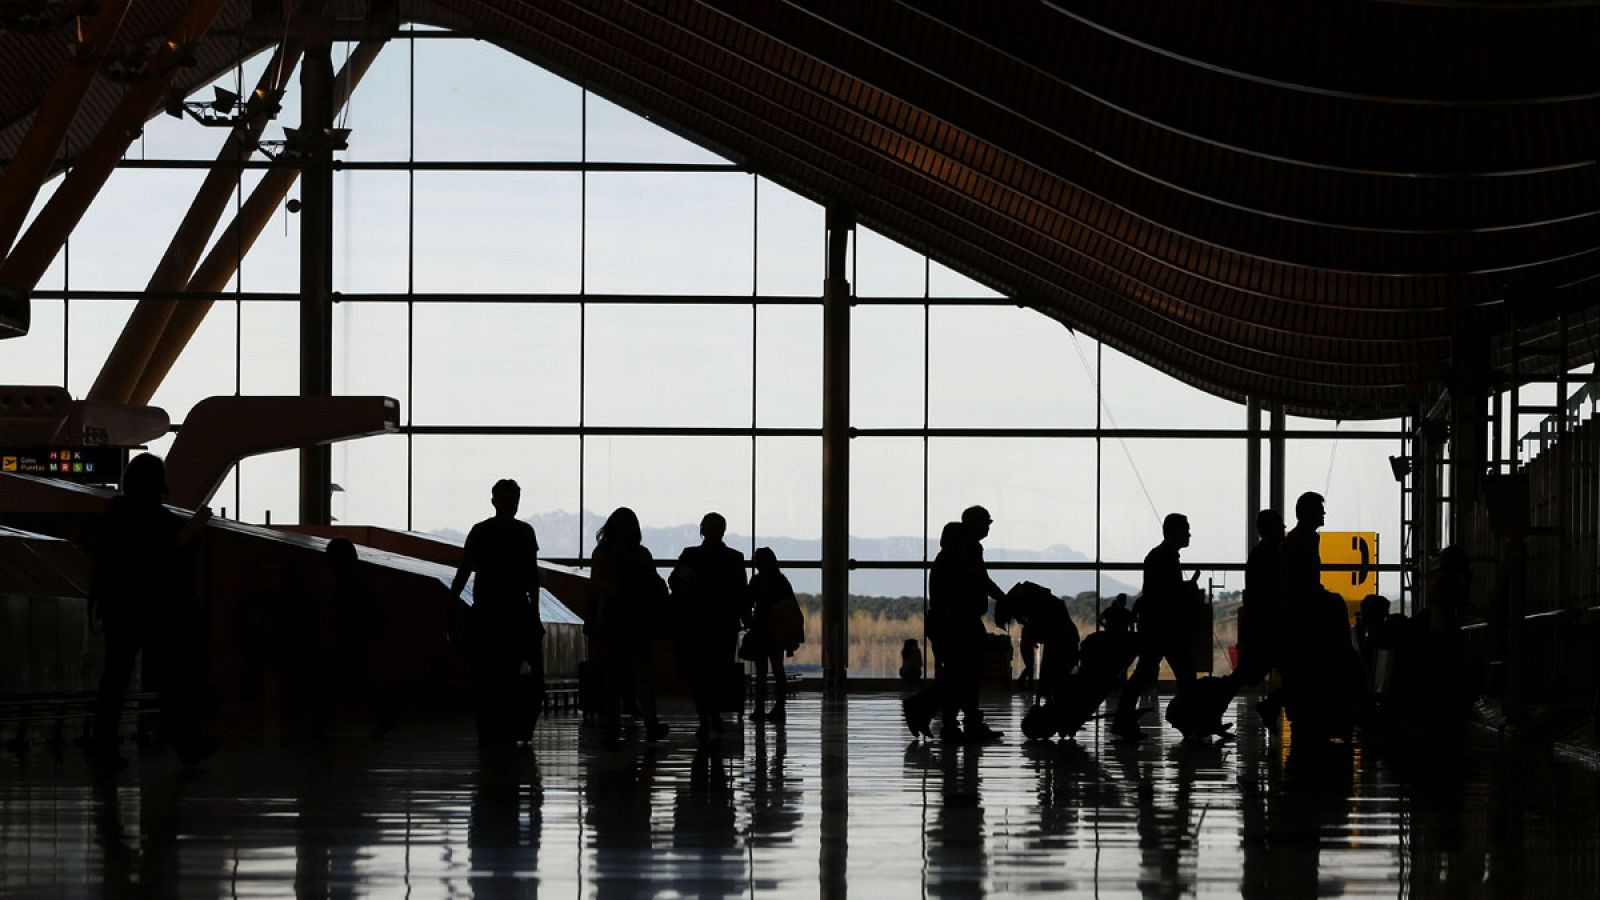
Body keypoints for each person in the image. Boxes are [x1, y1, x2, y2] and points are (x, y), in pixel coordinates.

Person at [88, 453, 215, 769]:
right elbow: (167, 557)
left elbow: (105, 563)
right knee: (168, 679)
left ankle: (103, 747)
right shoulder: (159, 519)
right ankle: (188, 745)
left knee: (115, 679)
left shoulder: (115, 512)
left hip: (120, 608)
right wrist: (194, 530)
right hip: (154, 610)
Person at [450, 479, 543, 750]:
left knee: (486, 673)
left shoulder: (480, 532)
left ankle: (490, 728)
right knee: (514, 673)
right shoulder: (524, 533)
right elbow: (531, 576)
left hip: (487, 612)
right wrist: (534, 613)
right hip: (514, 612)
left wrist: (451, 602)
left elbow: (465, 569)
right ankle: (513, 726)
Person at [1276, 491, 1361, 741]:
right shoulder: (1304, 542)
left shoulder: (1295, 541)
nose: (1323, 514)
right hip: (1303, 614)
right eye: (1320, 510)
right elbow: (1304, 583)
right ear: (1310, 513)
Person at [1112, 513, 1200, 741]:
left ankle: (1123, 720)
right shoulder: (1165, 558)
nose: (1189, 534)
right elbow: (1165, 595)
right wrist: (1187, 589)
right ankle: (1189, 720)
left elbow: (1157, 593)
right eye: (1186, 529)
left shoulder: (1159, 556)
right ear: (1174, 532)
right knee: (1184, 676)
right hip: (1164, 630)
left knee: (1145, 673)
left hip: (1157, 629)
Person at [589, 507, 669, 741]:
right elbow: (654, 585)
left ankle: (612, 725)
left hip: (613, 618)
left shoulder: (602, 554)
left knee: (613, 676)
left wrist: (592, 616)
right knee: (643, 674)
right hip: (639, 620)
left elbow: (595, 587)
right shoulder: (641, 554)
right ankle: (651, 723)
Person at [931, 507, 1007, 742]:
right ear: (975, 524)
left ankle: (954, 725)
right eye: (986, 523)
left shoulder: (950, 551)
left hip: (946, 622)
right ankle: (969, 724)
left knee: (959, 675)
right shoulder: (968, 549)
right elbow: (982, 581)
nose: (988, 528)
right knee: (969, 674)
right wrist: (1005, 600)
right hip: (961, 623)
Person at [671, 513, 750, 737]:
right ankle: (712, 715)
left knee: (698, 673)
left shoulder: (690, 556)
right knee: (718, 671)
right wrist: (746, 619)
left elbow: (674, 582)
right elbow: (741, 594)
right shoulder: (734, 558)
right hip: (724, 625)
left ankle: (706, 717)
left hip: (695, 623)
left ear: (702, 530)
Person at [739, 547, 804, 723]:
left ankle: (759, 708)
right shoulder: (781, 581)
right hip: (776, 631)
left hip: (761, 629)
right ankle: (779, 708)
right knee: (777, 669)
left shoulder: (757, 580)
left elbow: (748, 600)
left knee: (761, 671)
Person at [1231, 509, 1285, 698]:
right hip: (1269, 626)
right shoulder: (1271, 556)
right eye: (1279, 525)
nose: (1283, 528)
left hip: (1262, 626)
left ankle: (1213, 702)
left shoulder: (1260, 554)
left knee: (1244, 675)